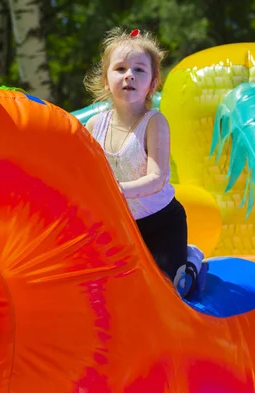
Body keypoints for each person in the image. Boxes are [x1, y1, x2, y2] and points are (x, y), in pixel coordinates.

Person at [83, 27, 206, 298]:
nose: (129, 75)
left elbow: (157, 177)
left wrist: (118, 190)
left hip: (161, 221)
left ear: (152, 84)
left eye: (139, 70)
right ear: (106, 80)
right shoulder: (95, 125)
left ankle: (191, 260)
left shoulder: (154, 122)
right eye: (121, 69)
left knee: (172, 292)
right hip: (122, 224)